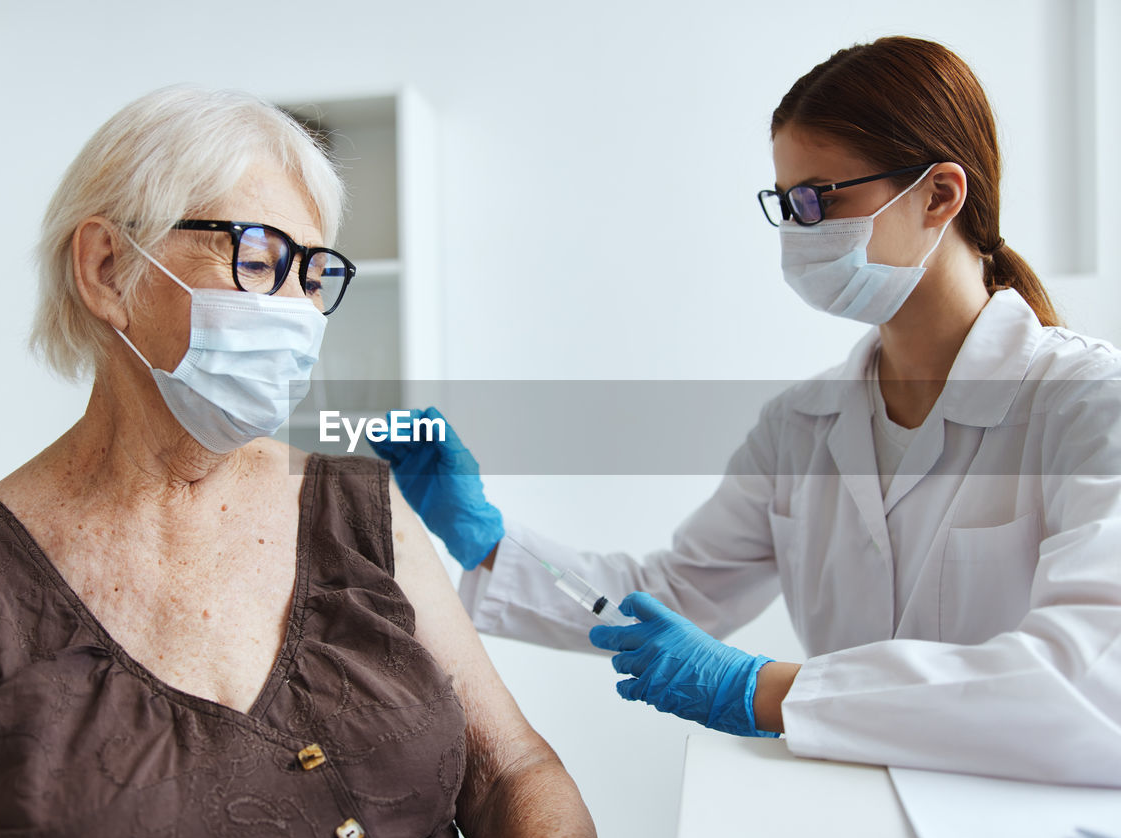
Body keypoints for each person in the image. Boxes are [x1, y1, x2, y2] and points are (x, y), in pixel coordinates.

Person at [0, 87, 597, 838]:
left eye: (311, 277)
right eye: (261, 260)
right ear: (108, 269)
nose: (299, 314)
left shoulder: (358, 511)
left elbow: (512, 773)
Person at [371, 37, 1121, 785]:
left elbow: (1089, 684)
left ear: (938, 194)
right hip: (851, 804)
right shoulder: (802, 428)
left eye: (822, 199)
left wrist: (763, 690)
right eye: (787, 204)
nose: (801, 231)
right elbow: (670, 597)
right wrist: (493, 543)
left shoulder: (1085, 404)